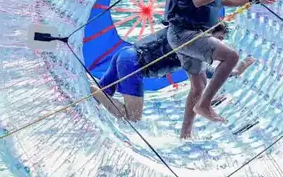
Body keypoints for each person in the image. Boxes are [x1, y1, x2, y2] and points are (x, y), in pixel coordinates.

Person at [162, 0, 275, 138]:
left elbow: (221, 0)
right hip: (185, 34)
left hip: (185, 34)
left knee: (197, 87)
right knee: (231, 56)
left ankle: (185, 135)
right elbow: (198, 0)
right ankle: (205, 105)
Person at [90, 22, 255, 121]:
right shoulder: (193, 45)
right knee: (132, 118)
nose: (218, 46)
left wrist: (237, 70)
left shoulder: (182, 31)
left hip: (125, 54)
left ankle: (89, 90)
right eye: (218, 40)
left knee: (98, 100)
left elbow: (208, 71)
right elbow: (210, 73)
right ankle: (92, 89)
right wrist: (235, 71)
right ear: (208, 34)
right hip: (134, 64)